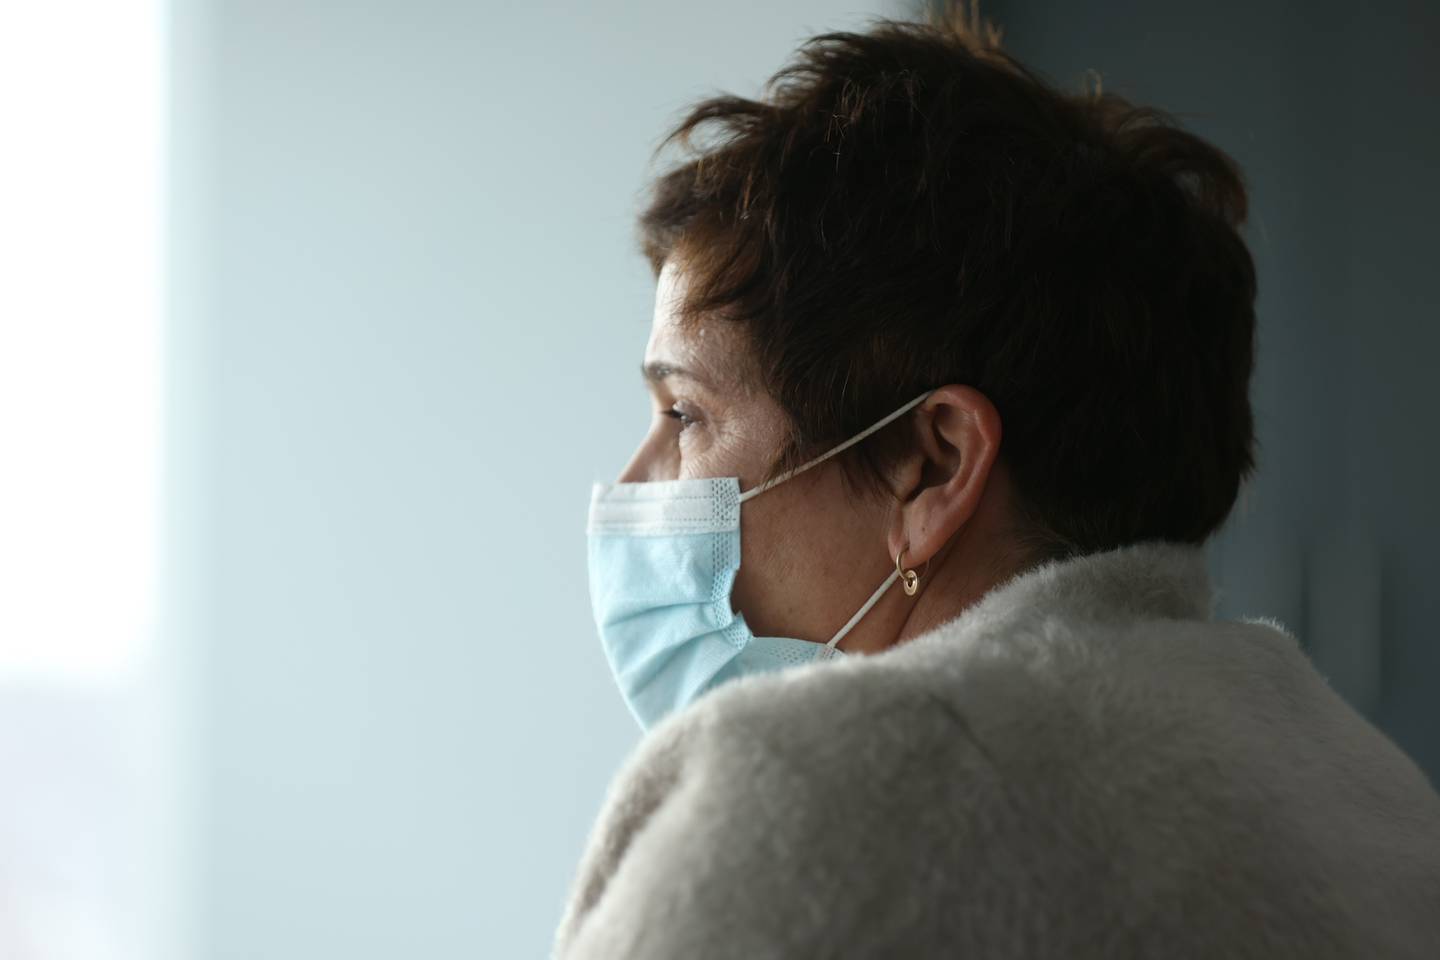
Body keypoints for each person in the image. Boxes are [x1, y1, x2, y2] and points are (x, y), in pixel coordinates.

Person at [552, 4, 1440, 957]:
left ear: (931, 464)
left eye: (685, 415)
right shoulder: (1367, 787)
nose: (639, 481)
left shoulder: (806, 794)